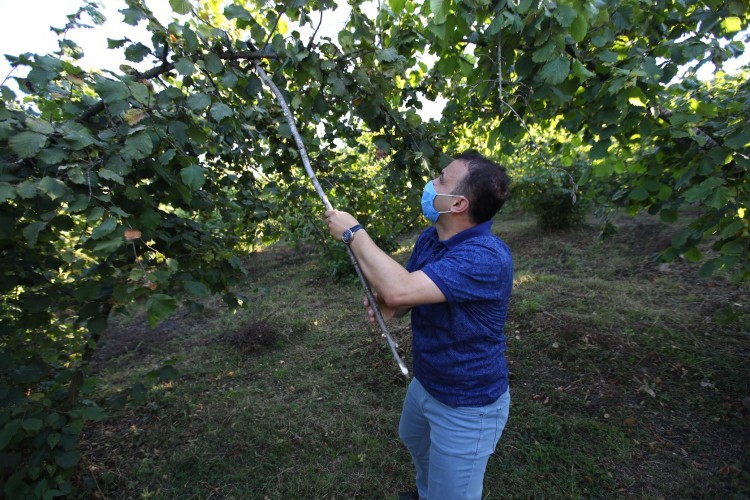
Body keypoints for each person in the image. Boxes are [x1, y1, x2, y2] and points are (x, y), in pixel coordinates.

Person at [325, 150, 513, 500]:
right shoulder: (431, 238)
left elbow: (400, 289)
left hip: (468, 403)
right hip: (429, 381)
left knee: (455, 493)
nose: (430, 184)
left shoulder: (486, 257)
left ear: (457, 204)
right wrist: (394, 308)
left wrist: (354, 233)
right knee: (415, 439)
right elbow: (409, 293)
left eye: (441, 179)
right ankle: (428, 492)